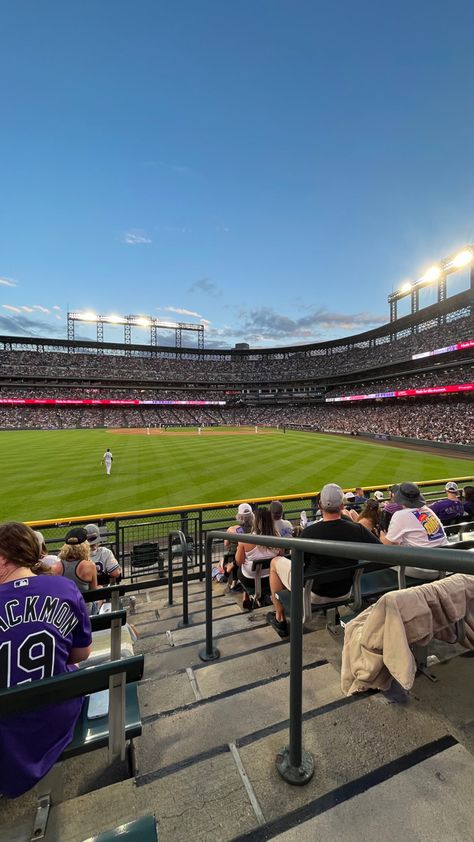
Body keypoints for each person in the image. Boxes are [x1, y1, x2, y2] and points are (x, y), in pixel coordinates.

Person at [0, 522, 91, 799]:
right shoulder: (62, 588)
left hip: (7, 740)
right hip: (58, 719)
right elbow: (80, 654)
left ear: (4, 558)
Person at [267, 484, 380, 638]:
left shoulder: (309, 532)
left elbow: (298, 564)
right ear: (341, 505)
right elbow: (381, 552)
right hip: (346, 591)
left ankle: (279, 618)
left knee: (275, 562)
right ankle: (332, 612)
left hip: (314, 593)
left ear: (319, 506)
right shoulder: (356, 529)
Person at [379, 482, 448, 579]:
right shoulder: (427, 510)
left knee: (382, 557)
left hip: (424, 569)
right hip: (445, 565)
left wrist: (381, 535)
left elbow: (387, 544)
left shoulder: (400, 515)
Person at [235, 507, 283, 610]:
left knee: (240, 569)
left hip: (250, 580)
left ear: (255, 522)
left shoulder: (245, 540)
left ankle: (246, 595)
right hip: (272, 579)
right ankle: (247, 596)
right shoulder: (279, 539)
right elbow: (281, 556)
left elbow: (238, 562)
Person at [52, 527, 98, 596]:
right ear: (85, 546)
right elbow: (94, 593)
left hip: (65, 606)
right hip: (84, 606)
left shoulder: (55, 567)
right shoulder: (90, 566)